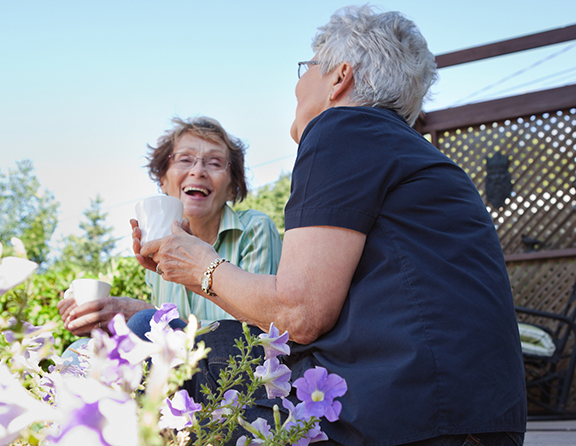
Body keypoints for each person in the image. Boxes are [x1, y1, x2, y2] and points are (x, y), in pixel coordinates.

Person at [132, 6, 527, 446]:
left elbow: (299, 314)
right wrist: (189, 269)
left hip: (414, 415)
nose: (298, 84)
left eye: (308, 67)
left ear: (339, 78)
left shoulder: (344, 127)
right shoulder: (401, 147)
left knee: (163, 358)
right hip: (467, 416)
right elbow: (295, 314)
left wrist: (201, 268)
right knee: (180, 347)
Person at [58, 116, 282, 338]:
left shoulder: (255, 229)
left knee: (143, 321)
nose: (198, 171)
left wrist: (149, 315)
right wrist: (108, 323)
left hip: (240, 365)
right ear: (163, 180)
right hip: (183, 368)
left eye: (214, 163)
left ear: (233, 187)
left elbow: (260, 330)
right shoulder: (157, 251)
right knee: (79, 352)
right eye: (185, 159)